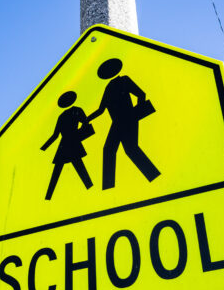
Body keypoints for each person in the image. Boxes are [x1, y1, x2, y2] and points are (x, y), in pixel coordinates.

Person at [87, 58, 160, 190]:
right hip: (116, 123)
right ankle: (108, 187)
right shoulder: (108, 88)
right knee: (109, 149)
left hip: (129, 118)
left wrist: (136, 114)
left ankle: (154, 176)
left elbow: (141, 94)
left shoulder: (124, 80)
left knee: (131, 149)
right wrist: (88, 119)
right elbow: (101, 110)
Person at [41, 91, 94, 200]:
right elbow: (85, 123)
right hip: (70, 143)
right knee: (76, 167)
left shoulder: (65, 115)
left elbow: (55, 135)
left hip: (65, 144)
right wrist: (42, 149)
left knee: (72, 168)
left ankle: (48, 197)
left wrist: (44, 148)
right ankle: (48, 197)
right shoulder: (76, 111)